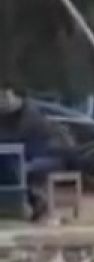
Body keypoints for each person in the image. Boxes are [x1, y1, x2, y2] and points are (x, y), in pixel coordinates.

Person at [0, 87, 65, 221]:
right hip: (22, 155)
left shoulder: (30, 115)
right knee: (9, 163)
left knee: (12, 167)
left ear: (9, 94)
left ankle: (33, 202)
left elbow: (16, 138)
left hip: (45, 156)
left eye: (1, 98)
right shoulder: (8, 114)